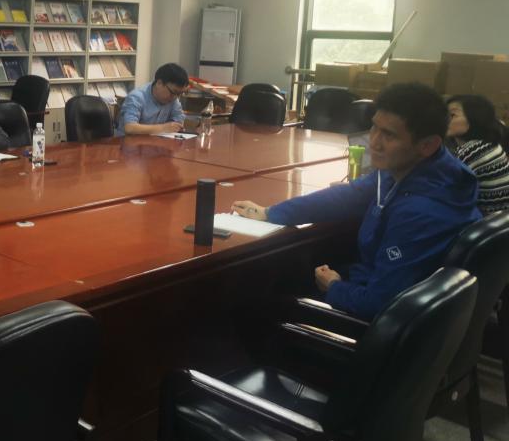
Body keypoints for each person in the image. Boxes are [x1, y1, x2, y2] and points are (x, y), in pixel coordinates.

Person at [232, 82, 480, 319]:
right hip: (373, 282)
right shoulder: (418, 170)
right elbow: (349, 195)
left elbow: (379, 304)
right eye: (374, 128)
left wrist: (335, 287)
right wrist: (272, 213)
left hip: (376, 318)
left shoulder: (422, 211)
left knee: (257, 292)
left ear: (427, 145)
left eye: (389, 135)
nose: (374, 142)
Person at [447, 94, 509, 214]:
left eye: (452, 115)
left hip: (486, 220)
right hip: (498, 218)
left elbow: (445, 189)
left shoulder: (473, 151)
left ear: (474, 118)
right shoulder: (487, 144)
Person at [115, 62, 189, 136]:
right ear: (159, 83)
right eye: (173, 92)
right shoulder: (137, 97)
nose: (175, 97)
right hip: (129, 142)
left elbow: (178, 122)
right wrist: (163, 128)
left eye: (179, 94)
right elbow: (130, 128)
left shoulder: (173, 99)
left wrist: (176, 126)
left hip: (157, 141)